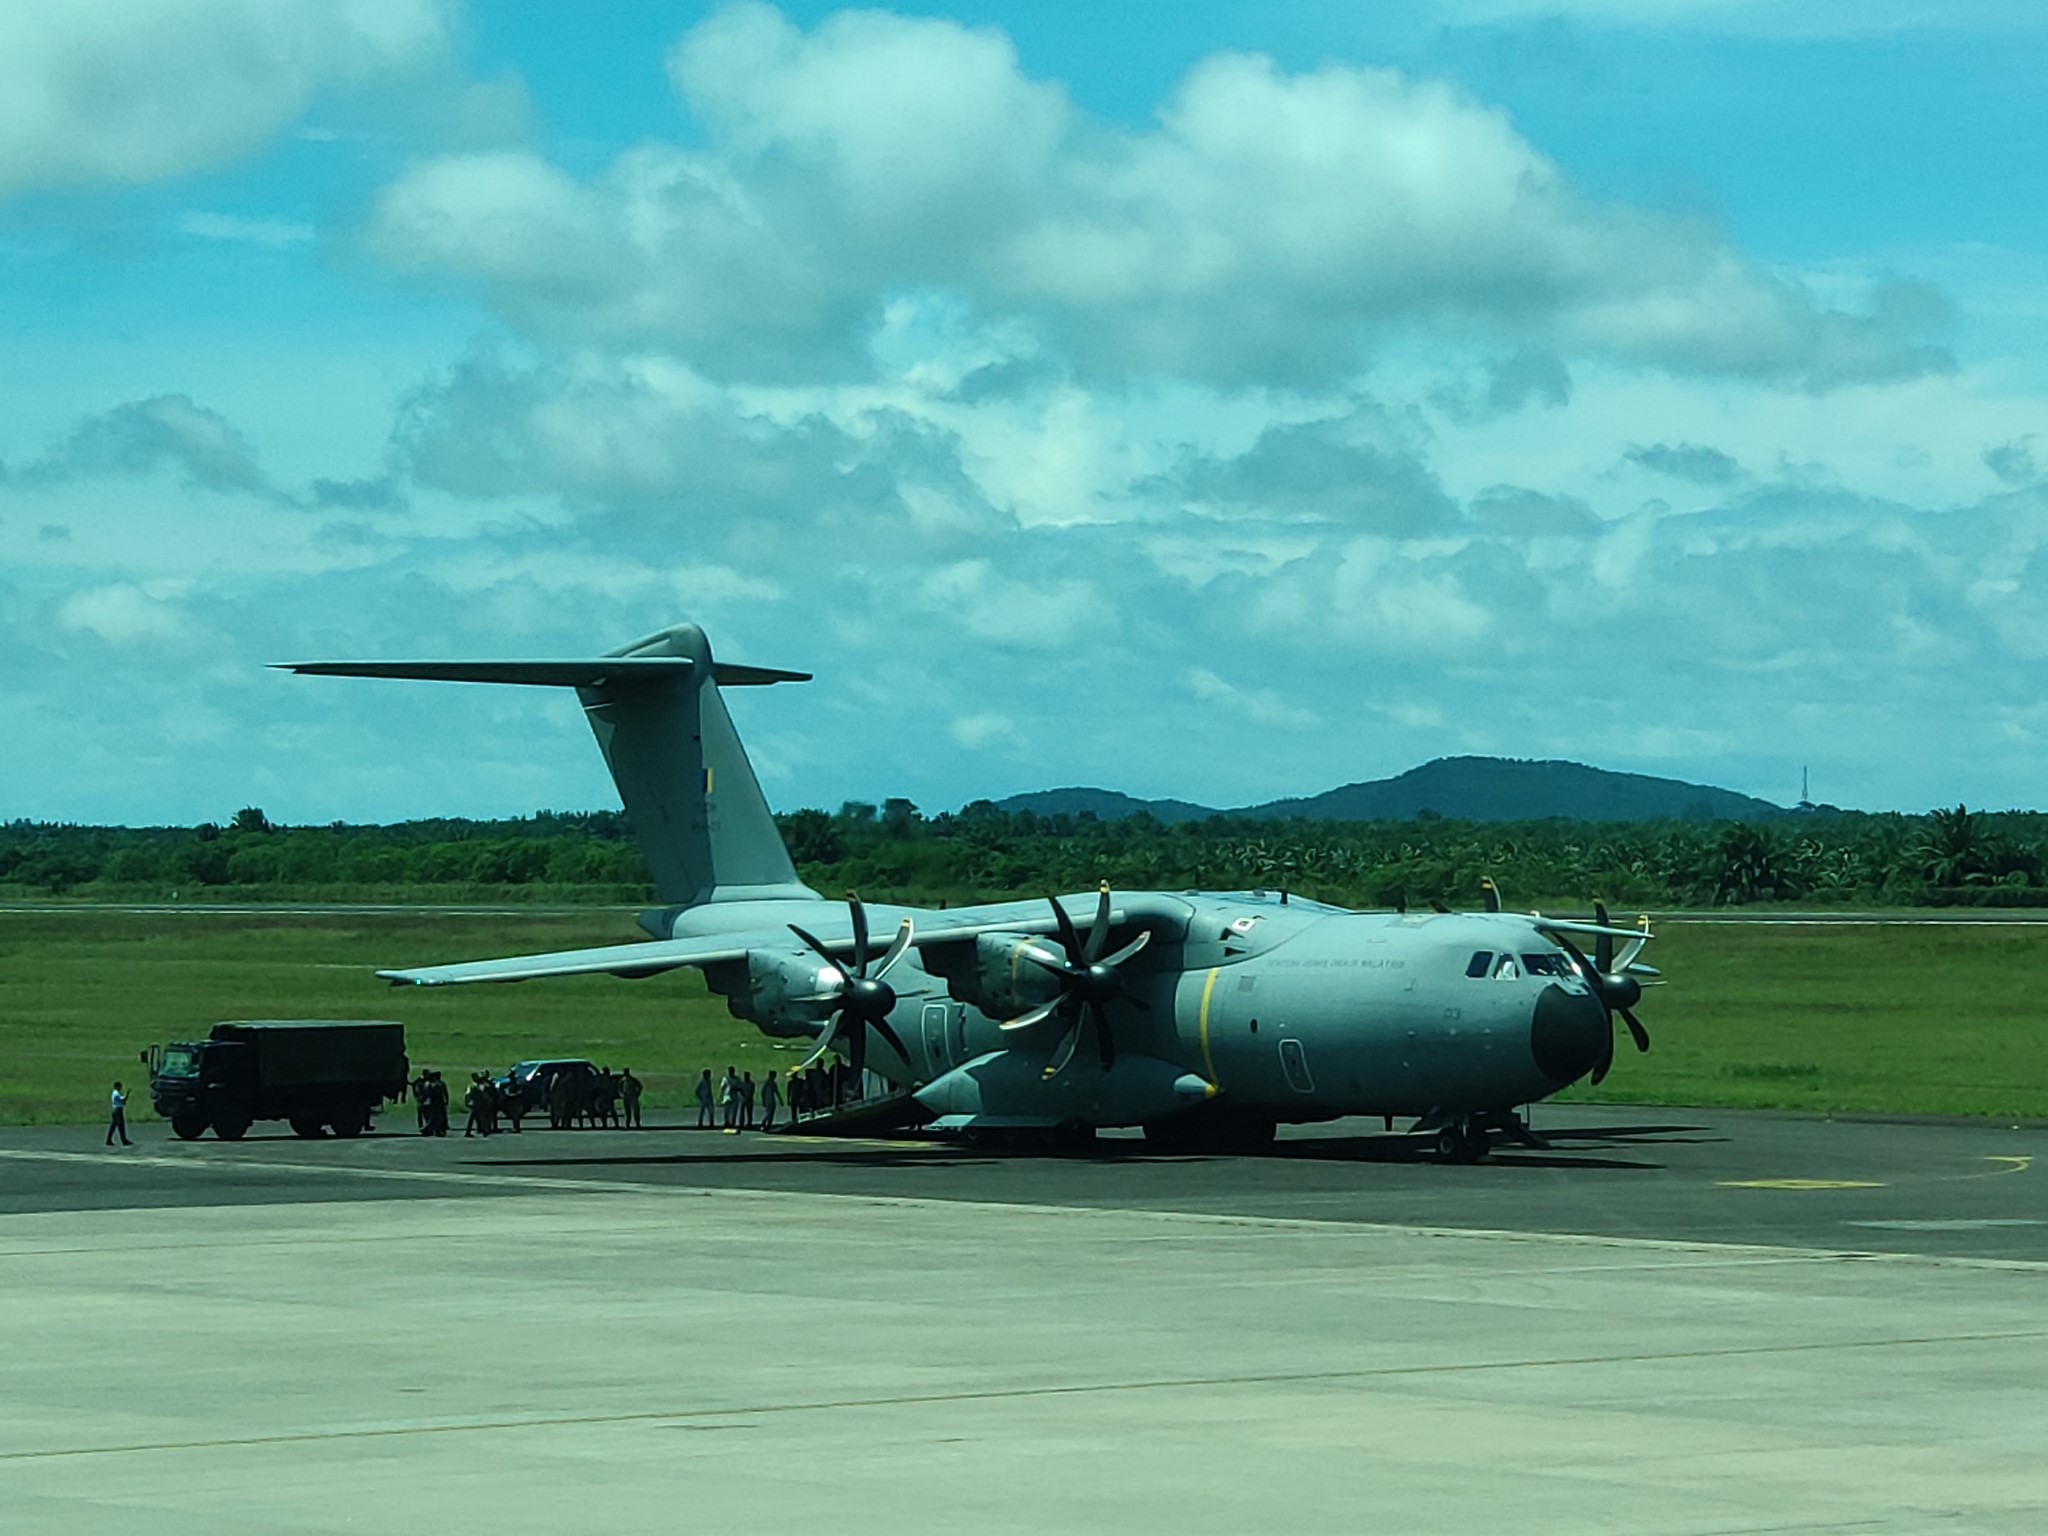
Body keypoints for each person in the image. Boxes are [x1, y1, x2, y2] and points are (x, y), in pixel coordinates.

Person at [463, 1073, 492, 1138]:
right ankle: (484, 1131)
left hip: (477, 1103)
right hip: (477, 1104)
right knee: (481, 1118)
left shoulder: (474, 1086)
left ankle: (470, 1131)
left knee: (475, 1118)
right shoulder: (475, 1086)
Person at [106, 1081, 132, 1146]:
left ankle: (109, 1140)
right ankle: (124, 1141)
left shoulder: (115, 1093)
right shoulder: (116, 1094)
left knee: (113, 1126)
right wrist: (127, 1094)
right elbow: (123, 1099)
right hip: (118, 1111)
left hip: (117, 1110)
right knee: (121, 1126)